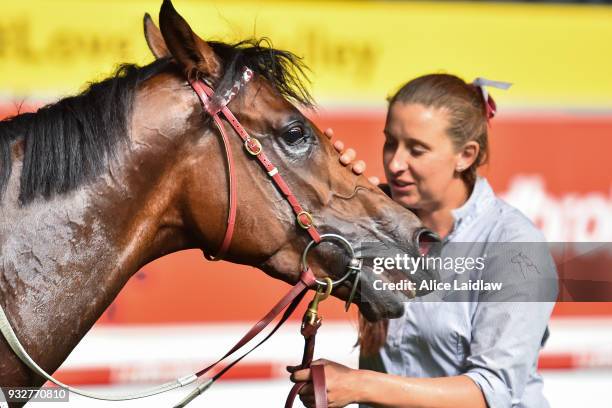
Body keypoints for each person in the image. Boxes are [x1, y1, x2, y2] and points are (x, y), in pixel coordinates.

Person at [288, 74, 558, 408]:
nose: (395, 163)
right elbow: (300, 228)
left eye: (417, 149)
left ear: (466, 155)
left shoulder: (513, 245)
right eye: (390, 143)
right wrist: (325, 173)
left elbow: (492, 391)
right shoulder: (377, 222)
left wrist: (358, 385)